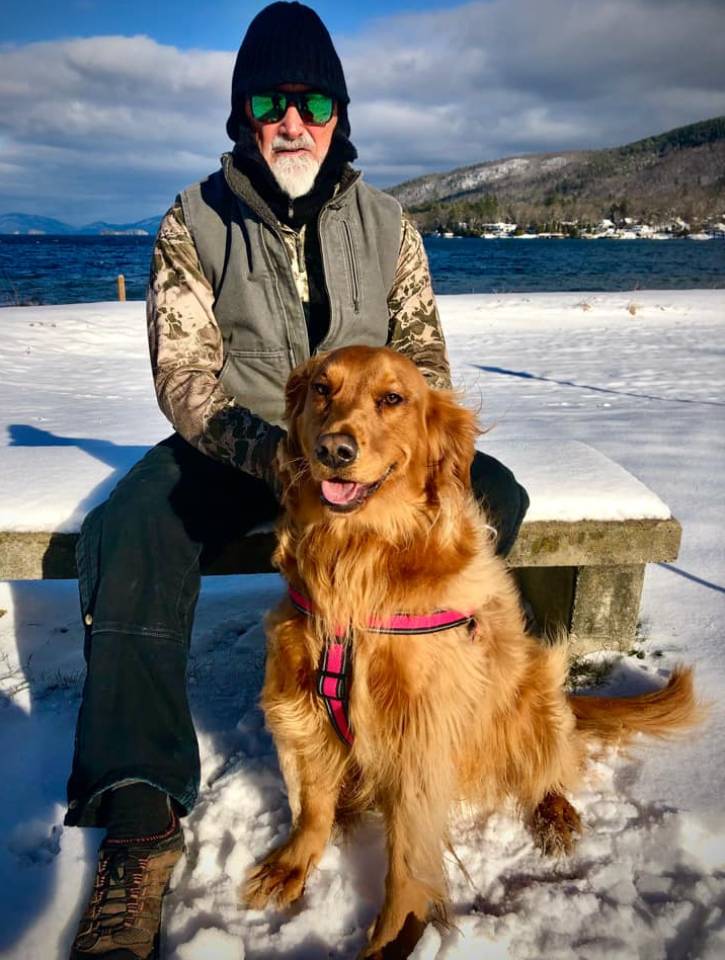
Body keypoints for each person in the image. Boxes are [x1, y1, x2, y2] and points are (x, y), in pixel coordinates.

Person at [66, 3, 529, 957]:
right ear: (243, 115)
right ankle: (139, 813)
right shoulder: (192, 219)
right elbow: (184, 376)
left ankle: (405, 676)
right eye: (269, 101)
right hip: (245, 448)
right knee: (131, 527)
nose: (290, 119)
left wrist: (407, 450)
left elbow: (422, 358)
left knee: (499, 494)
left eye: (311, 100)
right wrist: (279, 457)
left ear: (337, 113)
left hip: (370, 460)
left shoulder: (389, 222)